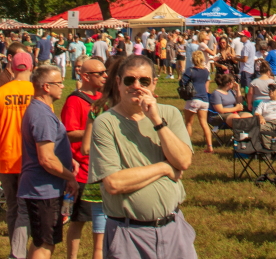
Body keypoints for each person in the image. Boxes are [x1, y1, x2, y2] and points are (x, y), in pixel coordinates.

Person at [86, 55, 196, 259]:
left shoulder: (169, 114)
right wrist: (164, 168)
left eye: (144, 81)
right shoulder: (106, 123)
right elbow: (114, 183)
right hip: (129, 234)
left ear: (154, 84)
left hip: (174, 229)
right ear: (118, 83)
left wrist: (156, 120)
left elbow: (183, 162)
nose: (136, 86)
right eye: (130, 80)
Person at [20, 65, 78, 259]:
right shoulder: (42, 115)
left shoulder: (41, 110)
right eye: (59, 83)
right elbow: (46, 158)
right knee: (45, 243)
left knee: (42, 241)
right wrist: (70, 176)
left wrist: (68, 161)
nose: (62, 86)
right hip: (43, 189)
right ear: (46, 87)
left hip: (44, 188)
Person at [0, 50, 36, 259]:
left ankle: (16, 250)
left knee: (13, 207)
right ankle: (19, 251)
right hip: (30, 158)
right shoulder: (37, 92)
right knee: (26, 207)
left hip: (4, 156)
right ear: (31, 67)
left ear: (12, 67)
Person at [62, 57, 107, 259]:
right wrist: (96, 130)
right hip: (82, 170)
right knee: (78, 220)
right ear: (85, 76)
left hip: (101, 168)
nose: (105, 76)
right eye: (100, 73)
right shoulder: (74, 101)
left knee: (102, 222)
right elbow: (67, 133)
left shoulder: (103, 98)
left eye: (105, 72)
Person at [181, 51, 213, 153]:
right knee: (204, 123)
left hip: (194, 98)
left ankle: (187, 147)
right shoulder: (206, 71)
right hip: (204, 99)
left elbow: (182, 82)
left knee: (189, 123)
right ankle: (210, 146)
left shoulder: (190, 71)